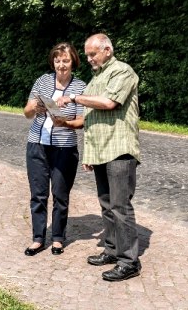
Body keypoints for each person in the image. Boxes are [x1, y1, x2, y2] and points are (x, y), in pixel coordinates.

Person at [57, 33, 141, 281]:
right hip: (101, 150)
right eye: (87, 55)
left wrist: (73, 97)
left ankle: (129, 261)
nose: (90, 58)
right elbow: (89, 118)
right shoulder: (96, 79)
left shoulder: (123, 71)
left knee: (120, 206)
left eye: (93, 54)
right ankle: (112, 250)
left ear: (107, 49)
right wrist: (67, 124)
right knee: (106, 204)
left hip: (119, 149)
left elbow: (108, 103)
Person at [22, 42, 86, 256]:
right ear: (53, 62)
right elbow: (27, 112)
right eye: (57, 60)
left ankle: (58, 237)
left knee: (60, 194)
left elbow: (83, 121)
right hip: (37, 145)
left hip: (64, 149)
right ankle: (38, 238)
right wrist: (35, 107)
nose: (61, 65)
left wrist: (66, 123)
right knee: (38, 194)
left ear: (73, 61)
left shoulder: (81, 87)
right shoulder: (42, 81)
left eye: (65, 60)